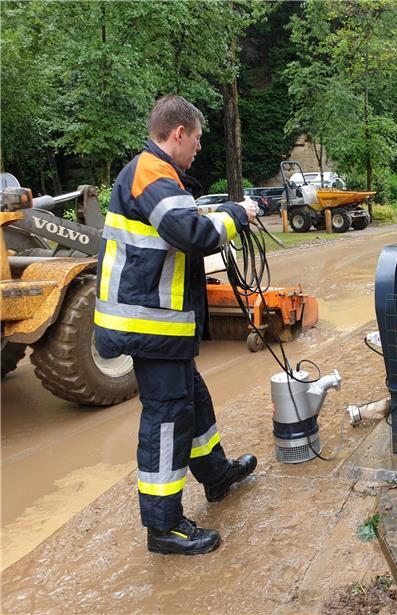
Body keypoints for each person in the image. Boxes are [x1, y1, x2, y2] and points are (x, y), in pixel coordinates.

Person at [94, 95, 259, 555]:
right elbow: (191, 235)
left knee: (192, 401)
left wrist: (215, 214)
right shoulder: (151, 172)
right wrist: (238, 215)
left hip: (161, 325)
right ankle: (163, 526)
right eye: (199, 139)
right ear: (179, 133)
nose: (200, 148)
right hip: (151, 325)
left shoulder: (159, 175)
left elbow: (178, 224)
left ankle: (216, 475)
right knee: (168, 419)